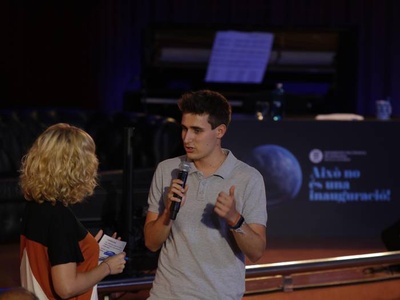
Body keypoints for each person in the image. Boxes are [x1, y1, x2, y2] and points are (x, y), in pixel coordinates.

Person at [144, 90, 268, 299]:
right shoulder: (168, 170)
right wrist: (168, 213)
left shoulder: (248, 178)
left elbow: (256, 252)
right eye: (184, 129)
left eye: (196, 130)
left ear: (219, 131)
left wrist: (234, 219)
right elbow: (151, 243)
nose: (187, 138)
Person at [19, 123, 127, 300]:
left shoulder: (34, 206)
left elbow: (50, 258)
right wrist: (107, 267)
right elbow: (66, 288)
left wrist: (86, 251)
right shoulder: (60, 218)